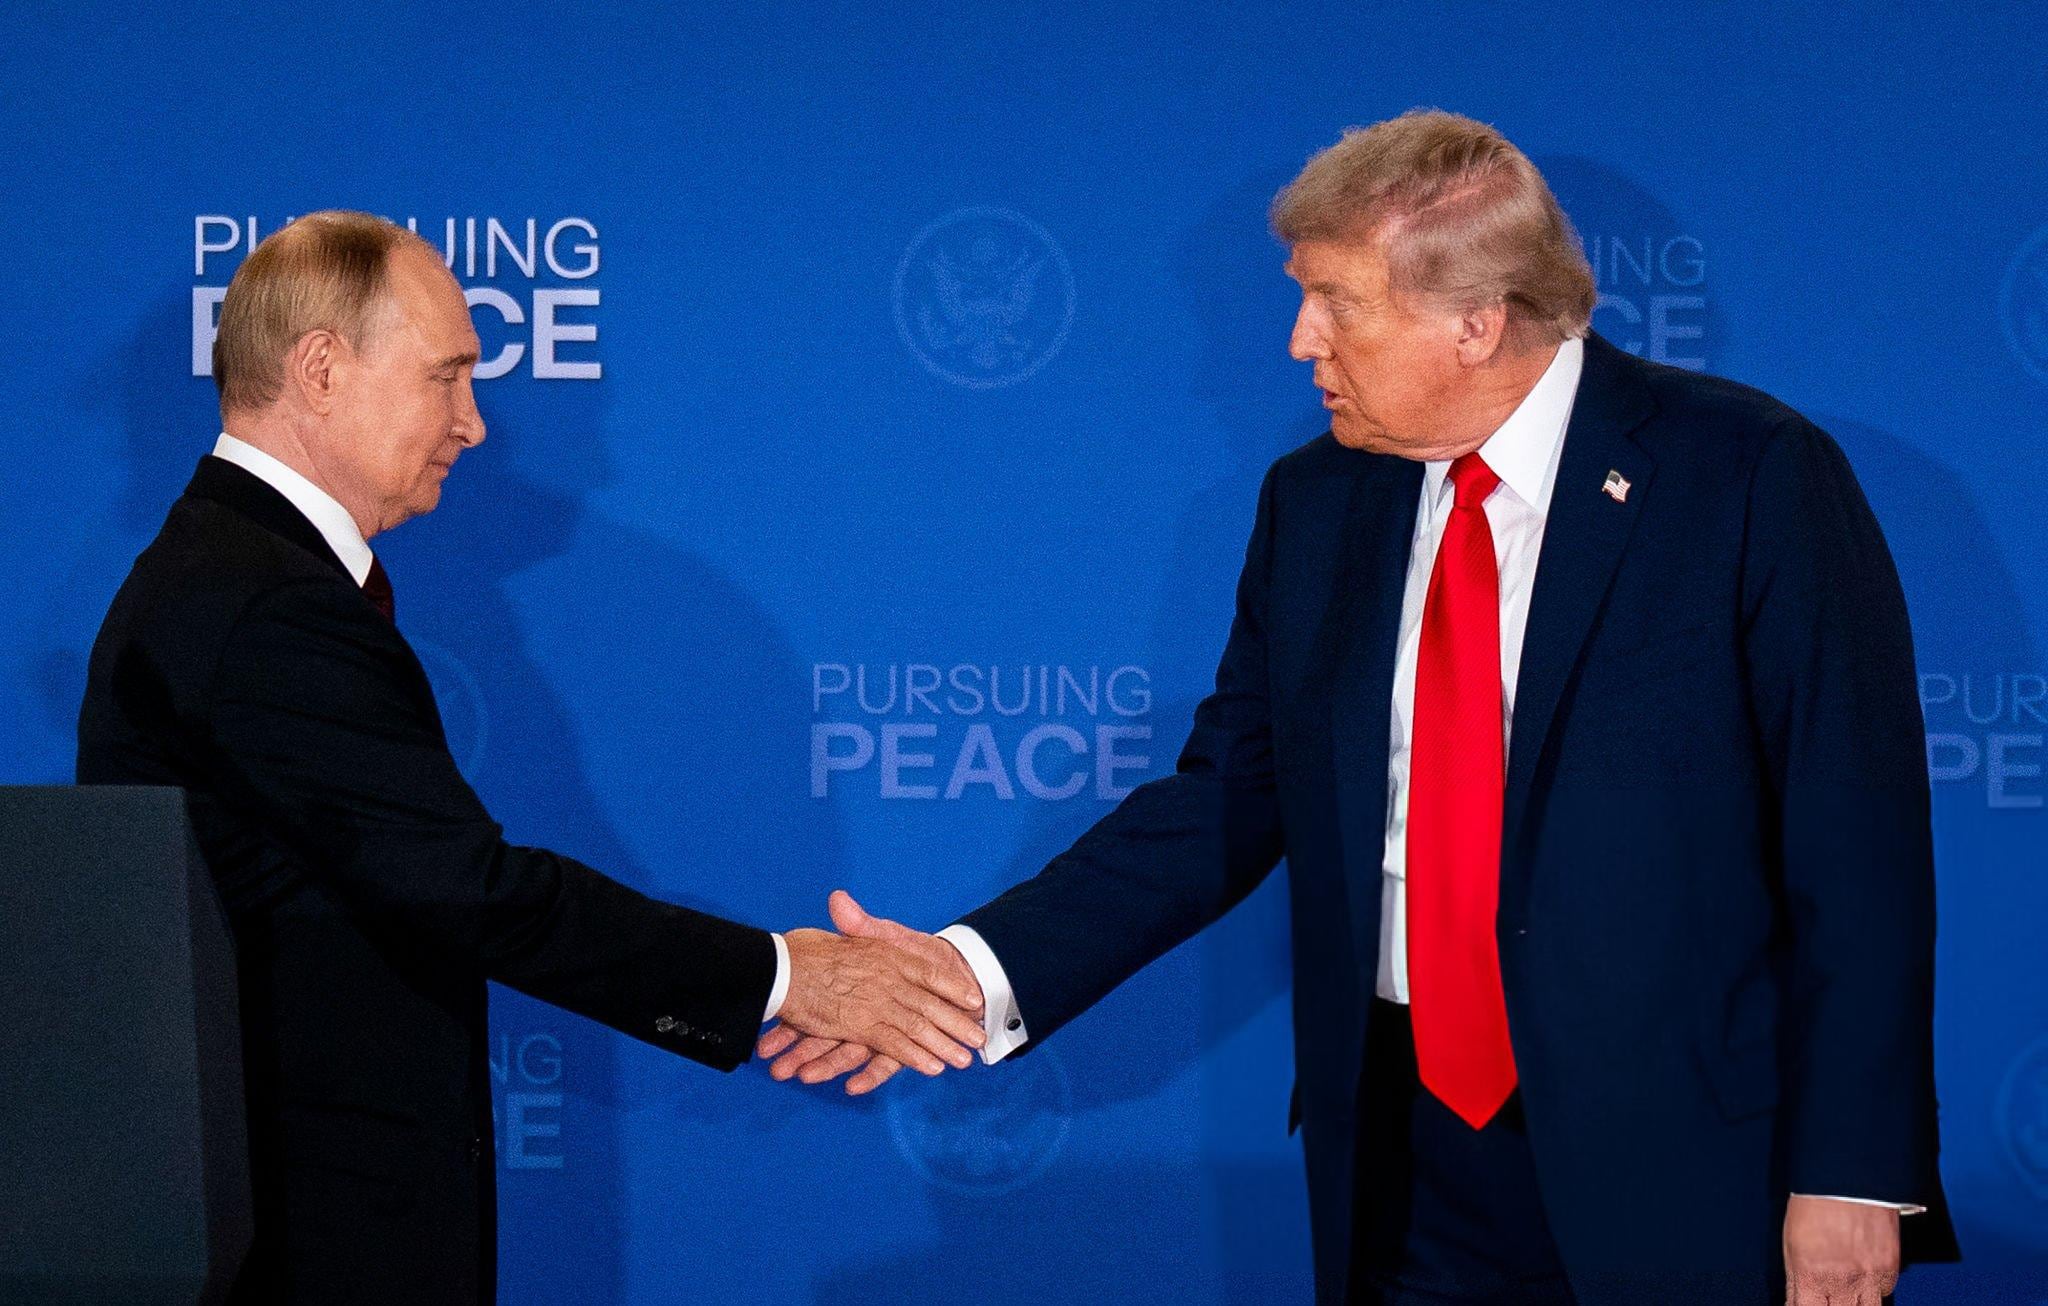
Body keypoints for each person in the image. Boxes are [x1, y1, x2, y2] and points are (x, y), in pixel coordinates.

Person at [759, 111, 1958, 1304]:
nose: (1297, 341)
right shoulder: (1318, 503)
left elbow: (1854, 852)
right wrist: (971, 971)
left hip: (1686, 1163)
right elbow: (1227, 798)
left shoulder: (1745, 475)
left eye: (1337, 301)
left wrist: (1851, 1173)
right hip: (1399, 1153)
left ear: (1476, 321)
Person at [75, 210, 985, 1303]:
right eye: (446, 377)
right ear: (320, 368)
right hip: (298, 1238)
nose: (473, 424)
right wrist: (787, 976)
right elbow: (468, 889)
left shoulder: (247, 577)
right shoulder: (262, 604)